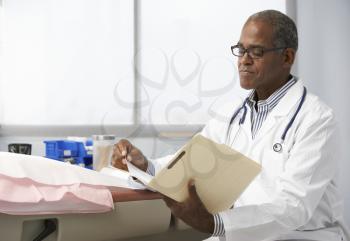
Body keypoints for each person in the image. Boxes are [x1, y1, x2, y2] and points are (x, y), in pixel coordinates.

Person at [112, 10, 349, 241]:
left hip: (298, 236)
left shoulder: (316, 119)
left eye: (256, 52)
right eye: (241, 50)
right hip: (241, 234)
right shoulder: (231, 114)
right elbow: (190, 163)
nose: (244, 60)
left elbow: (294, 207)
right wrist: (145, 166)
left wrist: (216, 223)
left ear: (287, 57)